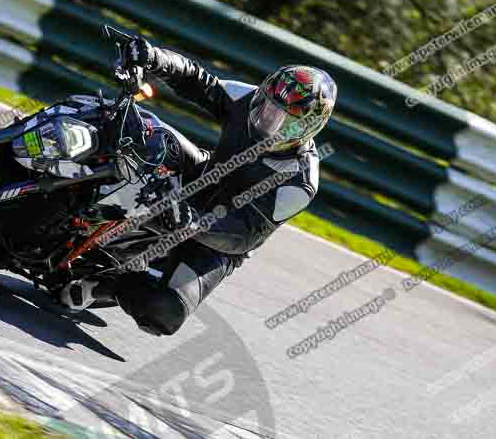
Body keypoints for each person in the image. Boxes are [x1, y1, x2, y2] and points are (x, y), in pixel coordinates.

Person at [60, 36, 338, 336]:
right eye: (267, 108)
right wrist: (154, 57)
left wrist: (194, 223)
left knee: (163, 313)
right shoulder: (246, 99)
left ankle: (109, 286)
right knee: (152, 137)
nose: (268, 121)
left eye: (284, 121)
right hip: (201, 176)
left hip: (216, 241)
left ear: (308, 128)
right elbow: (196, 79)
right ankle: (64, 180)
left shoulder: (300, 181)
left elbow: (243, 234)